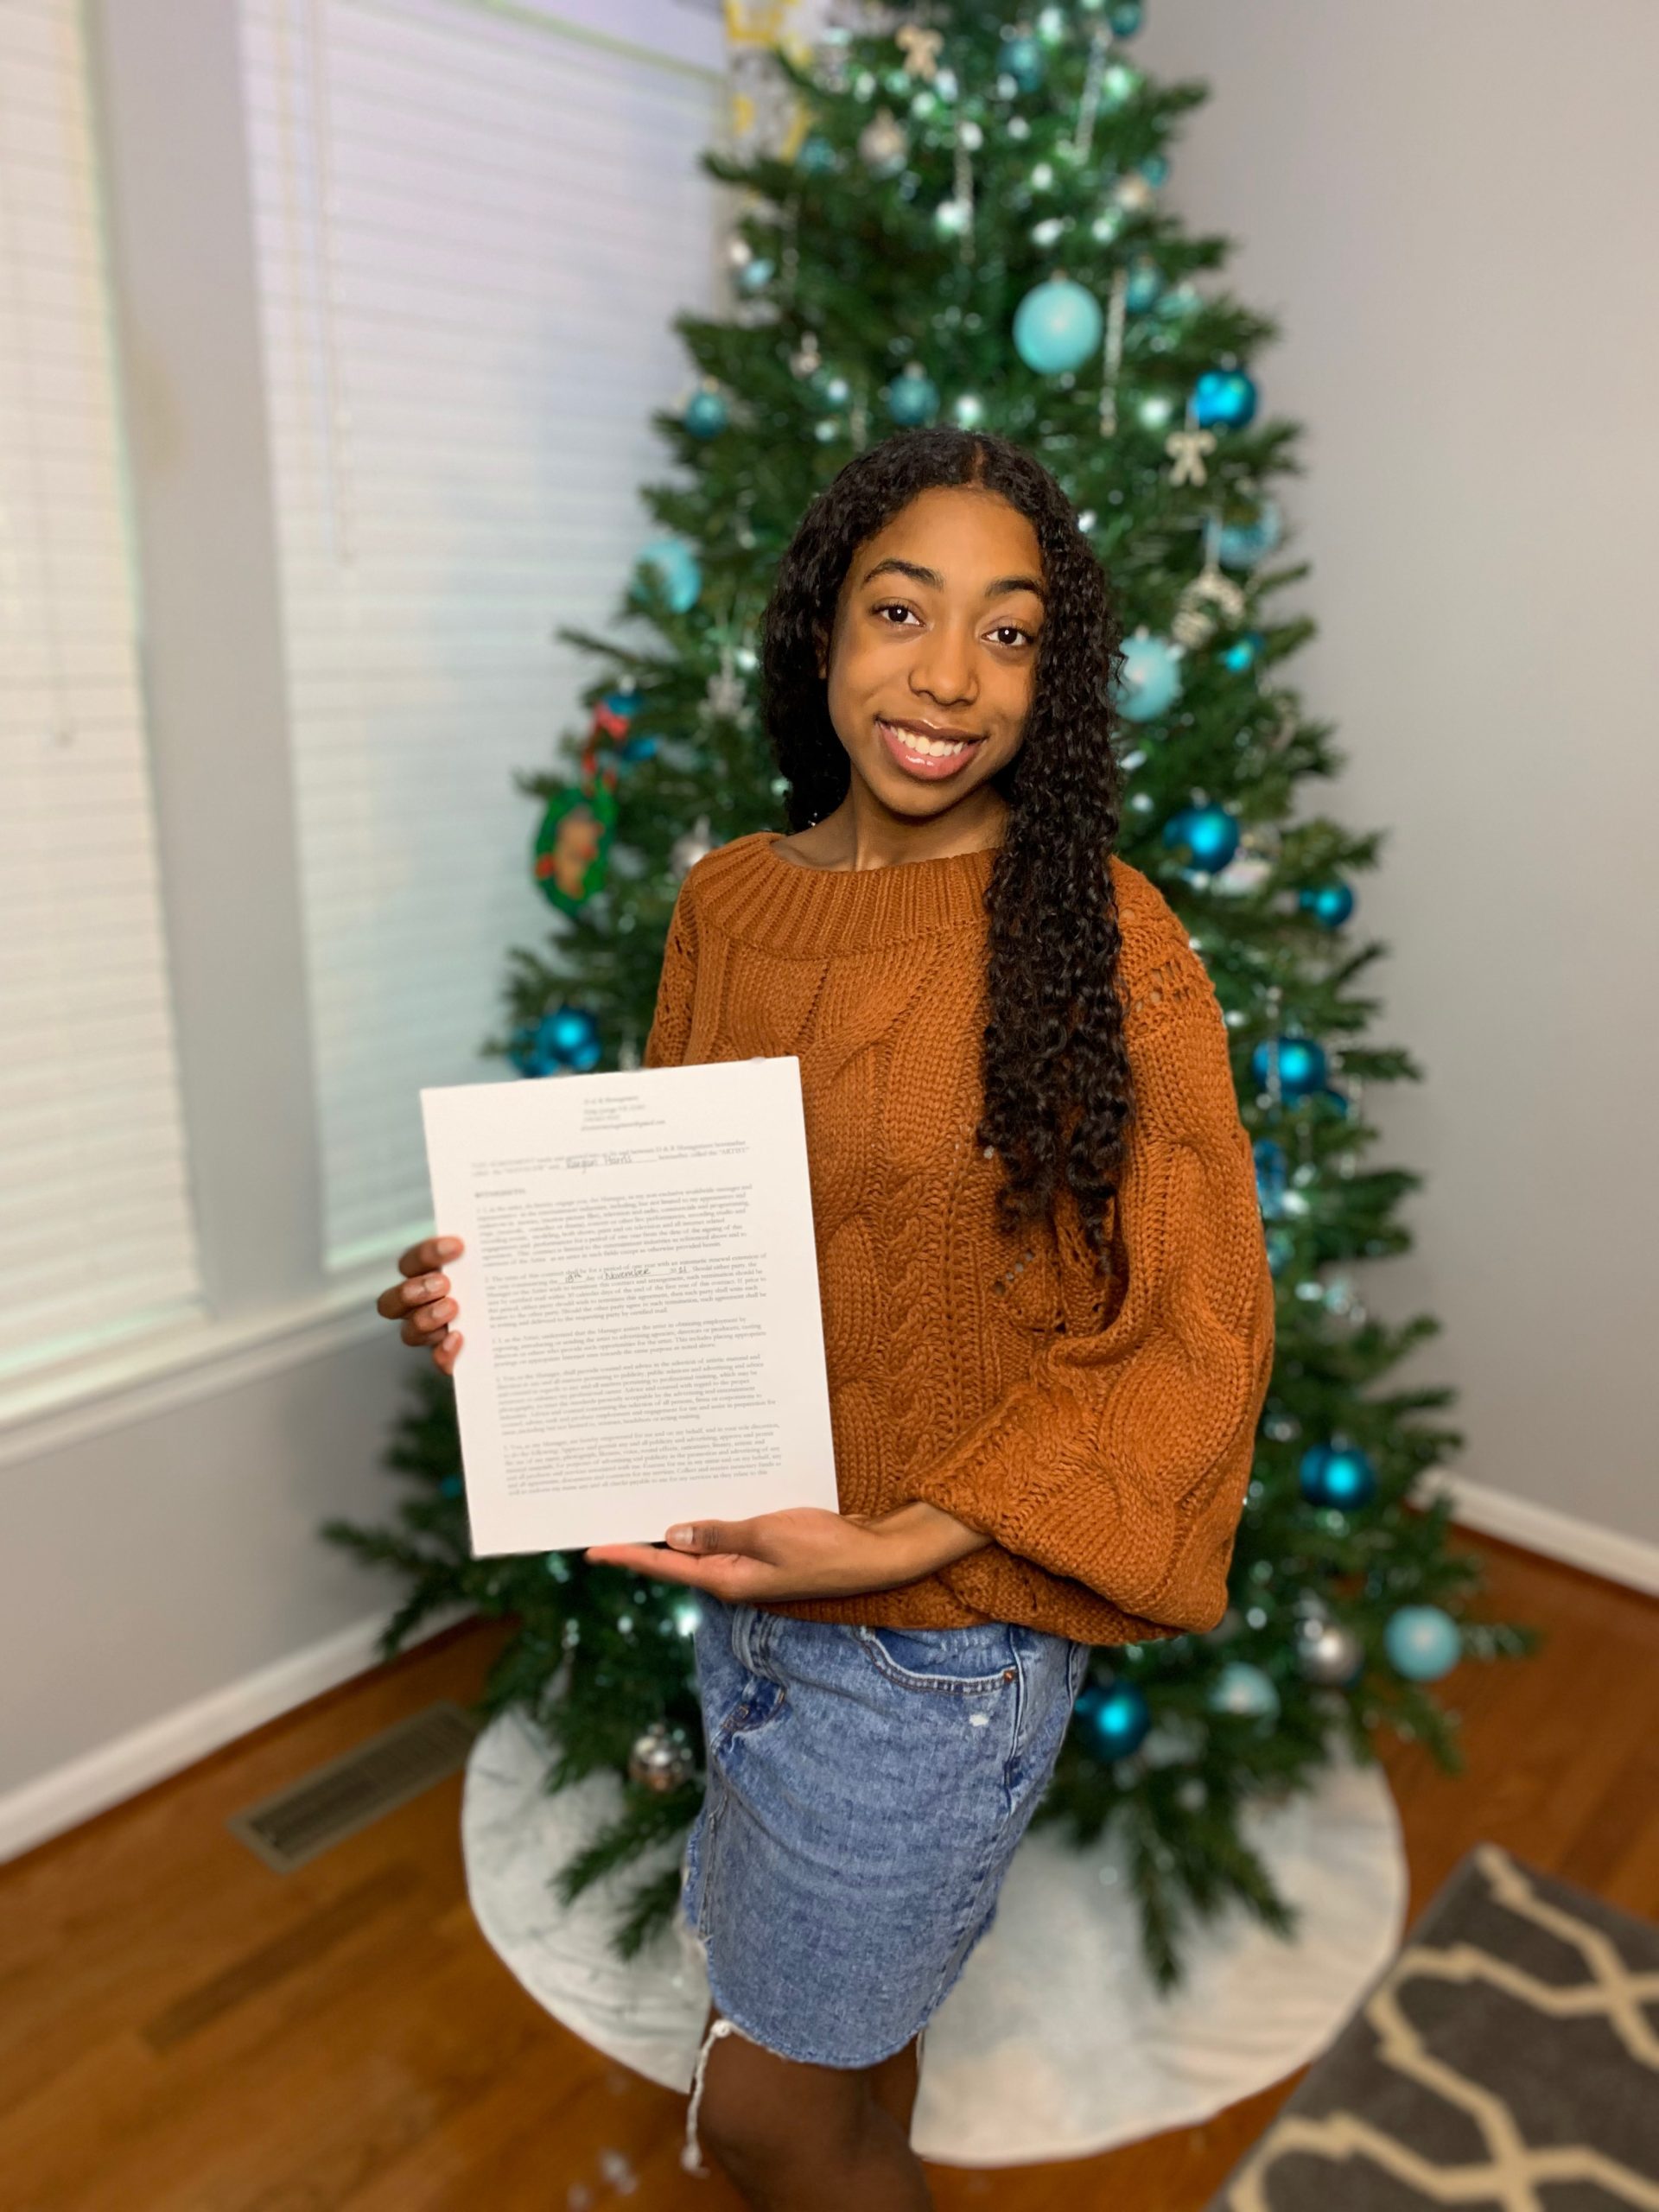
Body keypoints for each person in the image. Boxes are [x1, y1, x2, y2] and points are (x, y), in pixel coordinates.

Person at [376, 429, 1275, 2210]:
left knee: (761, 2120)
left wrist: (906, 1535)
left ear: (1058, 672)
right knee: (854, 2057)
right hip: (754, 1605)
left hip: (943, 1647)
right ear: (821, 629)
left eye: (1009, 633)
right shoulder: (730, 902)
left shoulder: (1106, 932)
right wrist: (510, 1303)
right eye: (901, 609)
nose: (949, 676)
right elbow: (672, 1222)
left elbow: (1204, 1322)